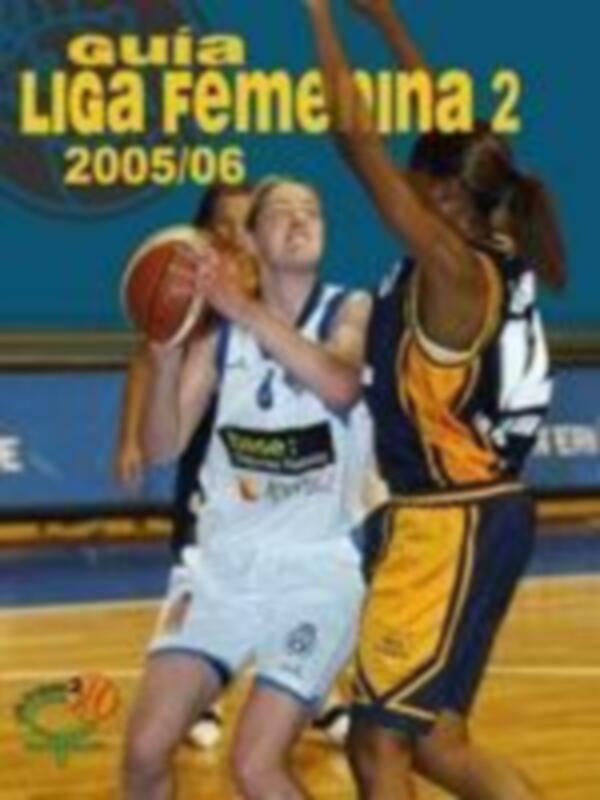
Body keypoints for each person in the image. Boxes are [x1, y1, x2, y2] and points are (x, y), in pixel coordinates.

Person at [300, 1, 566, 798]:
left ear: (445, 196)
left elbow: (354, 139)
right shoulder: (495, 243)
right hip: (481, 512)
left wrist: (319, 13)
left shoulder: (453, 271)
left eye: (416, 186)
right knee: (439, 743)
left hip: (448, 521)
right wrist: (388, 25)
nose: (405, 197)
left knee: (377, 744)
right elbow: (455, 129)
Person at [122, 177, 373, 800]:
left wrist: (244, 309)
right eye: (282, 211)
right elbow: (162, 445)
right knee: (144, 752)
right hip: (221, 572)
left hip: (316, 574)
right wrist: (166, 359)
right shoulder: (219, 336)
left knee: (256, 767)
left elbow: (340, 385)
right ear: (254, 240)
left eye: (312, 209)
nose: (301, 218)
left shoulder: (351, 309)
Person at [115, 182, 254, 749]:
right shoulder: (189, 297)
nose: (235, 235)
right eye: (224, 224)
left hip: (269, 462)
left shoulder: (281, 294)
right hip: (204, 446)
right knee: (198, 568)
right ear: (205, 232)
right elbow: (146, 362)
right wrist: (129, 438)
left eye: (246, 223)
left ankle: (324, 696)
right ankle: (203, 695)